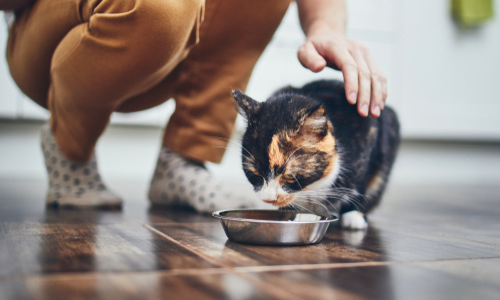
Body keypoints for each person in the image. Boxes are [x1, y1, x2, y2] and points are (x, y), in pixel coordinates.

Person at [1, 0, 387, 211]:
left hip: (168, 50)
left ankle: (183, 159)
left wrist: (325, 30)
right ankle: (70, 148)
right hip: (53, 40)